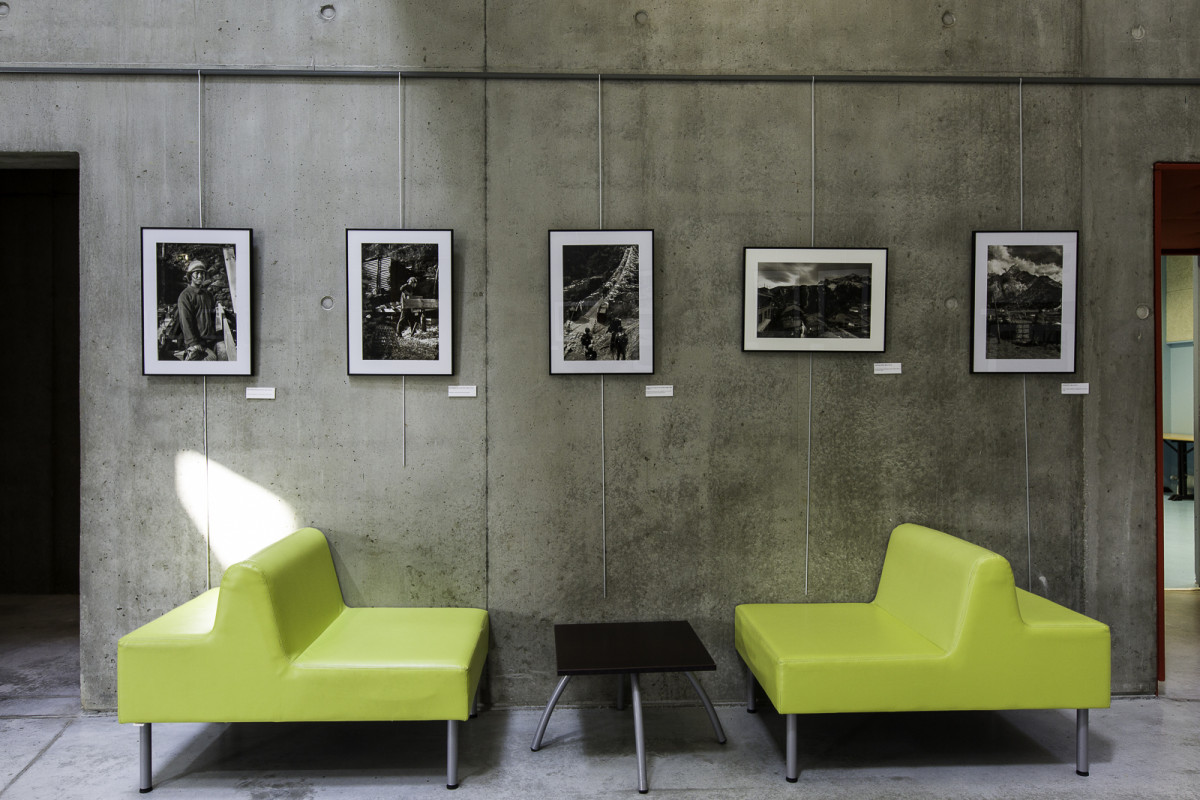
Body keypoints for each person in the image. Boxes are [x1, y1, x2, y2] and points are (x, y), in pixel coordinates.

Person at [176, 260, 225, 360]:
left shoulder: (208, 295)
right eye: (197, 273)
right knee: (211, 359)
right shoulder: (185, 296)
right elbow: (186, 321)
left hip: (210, 339)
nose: (200, 276)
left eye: (202, 273)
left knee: (225, 352)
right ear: (190, 276)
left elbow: (212, 317)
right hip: (196, 342)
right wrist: (193, 343)